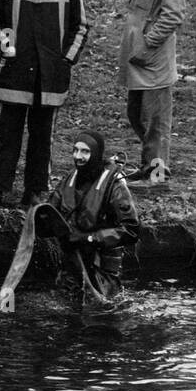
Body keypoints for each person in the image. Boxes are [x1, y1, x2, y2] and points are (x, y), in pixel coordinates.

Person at [0, 0, 89, 209]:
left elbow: (80, 26)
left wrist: (65, 59)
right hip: (16, 73)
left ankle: (36, 191)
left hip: (50, 77)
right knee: (7, 135)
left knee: (43, 138)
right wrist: (8, 48)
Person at [119, 0, 186, 187]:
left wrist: (148, 42)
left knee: (155, 120)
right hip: (138, 55)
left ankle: (157, 175)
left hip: (153, 57)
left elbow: (173, 14)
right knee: (136, 114)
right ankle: (148, 166)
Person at [46, 129, 139, 302]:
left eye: (85, 151)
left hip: (103, 263)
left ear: (96, 154)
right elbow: (50, 213)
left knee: (102, 309)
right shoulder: (68, 180)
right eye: (75, 150)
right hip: (73, 258)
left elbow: (131, 230)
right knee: (66, 303)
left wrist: (89, 238)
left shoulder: (115, 185)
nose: (78, 156)